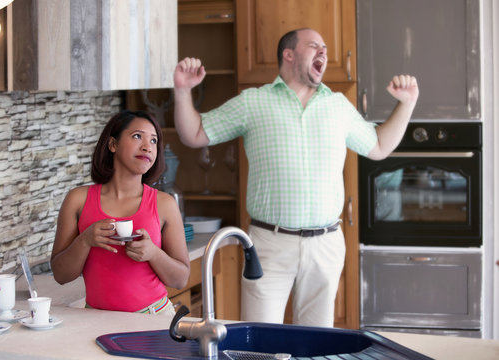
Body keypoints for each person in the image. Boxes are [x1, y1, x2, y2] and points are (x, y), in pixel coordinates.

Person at [172, 28, 419, 327]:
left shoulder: (338, 106)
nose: (324, 53)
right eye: (314, 45)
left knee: (316, 344)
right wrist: (183, 91)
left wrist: (406, 104)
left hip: (326, 244)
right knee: (260, 343)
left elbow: (378, 146)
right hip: (269, 244)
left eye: (325, 48)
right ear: (288, 54)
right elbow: (195, 134)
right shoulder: (253, 102)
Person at [51, 110, 190, 316]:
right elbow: (61, 275)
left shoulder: (164, 204)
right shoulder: (77, 200)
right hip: (96, 318)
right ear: (112, 145)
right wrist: (85, 240)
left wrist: (153, 253)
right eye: (137, 136)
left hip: (153, 316)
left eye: (153, 141)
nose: (147, 146)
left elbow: (180, 279)